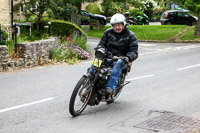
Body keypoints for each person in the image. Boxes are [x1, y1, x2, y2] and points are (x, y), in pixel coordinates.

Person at [95, 13, 138, 95]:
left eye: (119, 25)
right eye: (115, 25)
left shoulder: (131, 35)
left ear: (124, 24)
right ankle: (90, 75)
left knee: (119, 63)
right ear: (112, 26)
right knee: (98, 56)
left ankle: (110, 88)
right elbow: (101, 44)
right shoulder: (108, 32)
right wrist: (100, 49)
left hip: (121, 59)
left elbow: (134, 51)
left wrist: (128, 57)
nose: (117, 27)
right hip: (108, 57)